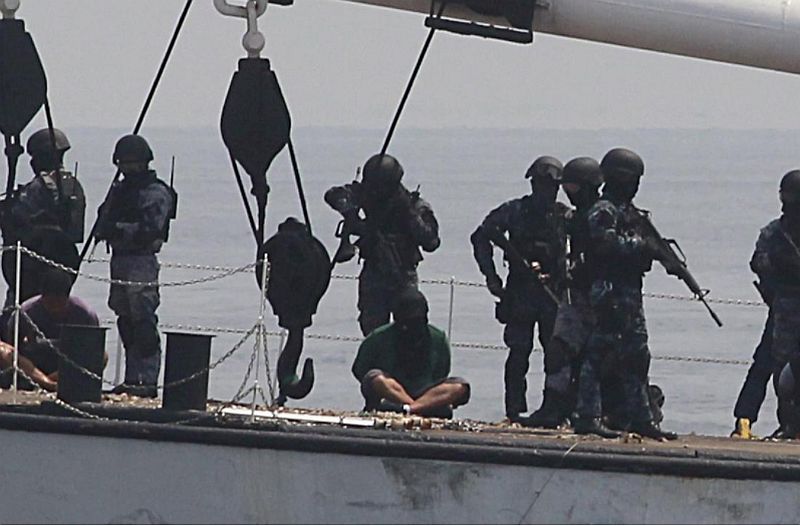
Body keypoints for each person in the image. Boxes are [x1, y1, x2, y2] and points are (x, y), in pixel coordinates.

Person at [572, 148, 676, 440]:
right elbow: (603, 244)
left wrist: (666, 259)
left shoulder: (631, 213)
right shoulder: (604, 209)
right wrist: (642, 247)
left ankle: (642, 417)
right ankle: (588, 415)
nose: (636, 186)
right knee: (599, 352)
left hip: (629, 291)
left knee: (637, 355)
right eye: (633, 179)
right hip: (609, 290)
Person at [470, 156, 568, 424]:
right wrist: (491, 277)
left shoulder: (564, 216)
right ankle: (515, 410)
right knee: (518, 353)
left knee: (556, 354)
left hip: (553, 295)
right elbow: (482, 236)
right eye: (541, 185)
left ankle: (555, 409)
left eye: (551, 186)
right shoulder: (514, 211)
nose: (546, 191)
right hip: (521, 293)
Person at [325, 154, 440, 336]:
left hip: (403, 275)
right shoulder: (367, 197)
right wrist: (351, 214)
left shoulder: (412, 205)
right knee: (372, 331)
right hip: (374, 274)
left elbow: (431, 241)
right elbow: (333, 195)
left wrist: (408, 214)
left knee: (409, 328)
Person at [95, 134, 175, 398]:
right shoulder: (120, 191)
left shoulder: (155, 192)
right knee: (126, 321)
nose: (128, 168)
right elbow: (103, 218)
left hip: (141, 260)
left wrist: (115, 229)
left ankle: (147, 381)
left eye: (133, 163)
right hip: (119, 259)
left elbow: (148, 230)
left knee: (143, 323)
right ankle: (132, 378)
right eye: (123, 163)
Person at [533, 157, 604, 427]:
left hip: (598, 297)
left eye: (574, 188)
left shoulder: (600, 215)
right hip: (574, 295)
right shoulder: (573, 217)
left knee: (595, 358)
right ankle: (553, 407)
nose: (568, 194)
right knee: (559, 350)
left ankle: (590, 413)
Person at [351, 287, 470, 417]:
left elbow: (442, 372)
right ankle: (421, 408)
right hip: (391, 392)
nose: (414, 325)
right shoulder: (379, 337)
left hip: (426, 392)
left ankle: (409, 409)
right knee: (377, 378)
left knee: (459, 386)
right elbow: (361, 370)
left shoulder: (438, 338)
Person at [743, 170, 800, 439]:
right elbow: (758, 261)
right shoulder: (775, 232)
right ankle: (785, 423)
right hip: (784, 306)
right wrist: (778, 267)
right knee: (777, 366)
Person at [1, 127, 84, 308]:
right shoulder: (73, 185)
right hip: (63, 262)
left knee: (18, 311)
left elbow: (18, 218)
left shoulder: (39, 187)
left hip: (34, 264)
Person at [1, 269, 100, 392]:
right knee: (3, 351)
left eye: (59, 303)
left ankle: (50, 382)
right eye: (50, 303)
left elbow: (93, 349)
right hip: (34, 364)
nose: (55, 308)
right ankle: (48, 384)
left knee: (101, 356)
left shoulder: (84, 314)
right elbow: (12, 346)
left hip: (67, 363)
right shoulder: (26, 311)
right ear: (42, 297)